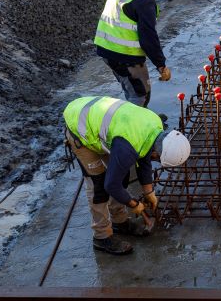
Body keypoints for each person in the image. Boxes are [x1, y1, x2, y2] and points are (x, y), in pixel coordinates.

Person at [63, 95, 191, 255]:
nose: (155, 160)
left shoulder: (155, 127)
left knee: (122, 176)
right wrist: (134, 204)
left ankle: (119, 222)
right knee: (99, 186)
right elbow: (111, 185)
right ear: (158, 153)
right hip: (79, 126)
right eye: (158, 159)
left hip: (105, 125)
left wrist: (149, 192)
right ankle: (101, 237)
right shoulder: (128, 147)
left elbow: (145, 156)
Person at [94, 0, 173, 107]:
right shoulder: (144, 1)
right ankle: (132, 120)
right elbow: (148, 38)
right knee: (140, 95)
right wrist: (161, 65)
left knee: (131, 88)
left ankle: (135, 116)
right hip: (124, 55)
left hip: (105, 49)